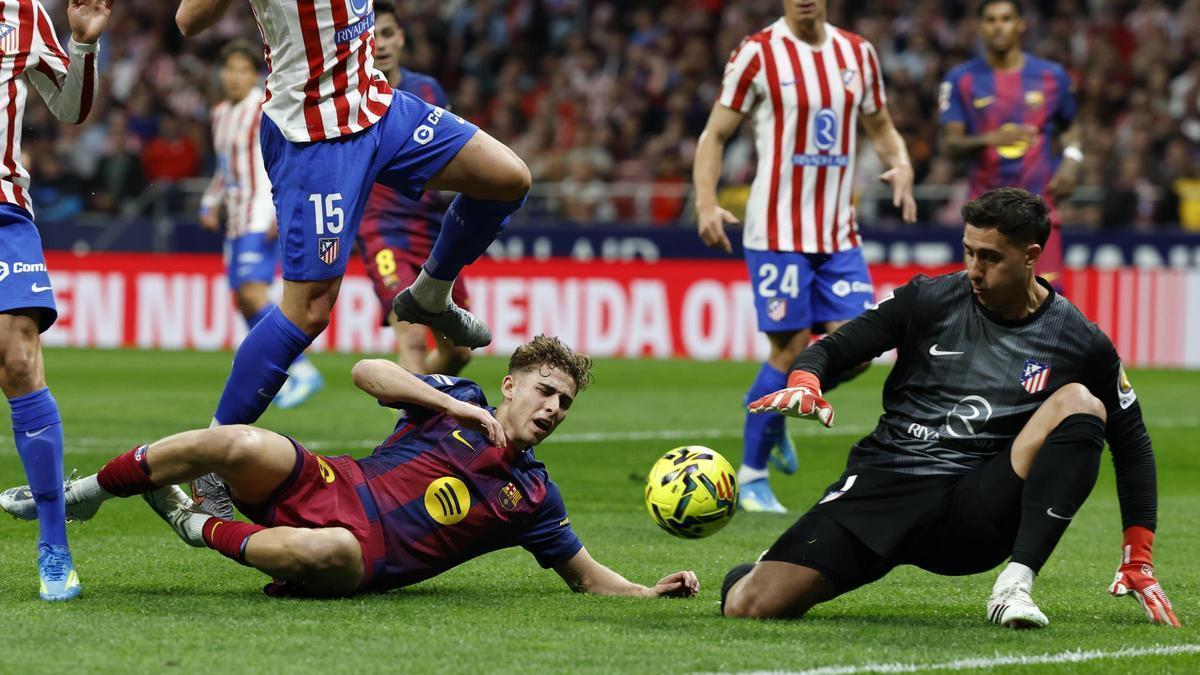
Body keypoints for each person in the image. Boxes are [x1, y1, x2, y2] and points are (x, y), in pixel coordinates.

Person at [721, 188, 1178, 629]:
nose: (974, 270)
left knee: (1079, 402)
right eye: (969, 252)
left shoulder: (1078, 338)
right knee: (749, 604)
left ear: (1031, 255)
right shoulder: (928, 298)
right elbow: (833, 348)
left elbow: (1132, 444)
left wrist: (1138, 557)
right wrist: (805, 382)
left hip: (975, 508)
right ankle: (764, 567)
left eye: (990, 257)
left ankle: (1015, 585)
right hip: (888, 483)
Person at [0, 337, 700, 601]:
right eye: (545, 391)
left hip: (361, 555)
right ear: (511, 384)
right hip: (332, 482)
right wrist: (448, 403)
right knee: (237, 441)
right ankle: (84, 494)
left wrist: (649, 590)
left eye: (565, 403)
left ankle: (193, 523)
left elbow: (587, 577)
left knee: (327, 549)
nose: (553, 409)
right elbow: (367, 371)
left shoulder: (533, 495)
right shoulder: (455, 399)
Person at [175, 0, 531, 518]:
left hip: (376, 105)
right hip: (315, 135)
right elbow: (189, 21)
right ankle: (211, 460)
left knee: (507, 178)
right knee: (307, 311)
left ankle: (431, 292)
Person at [692, 0, 916, 513]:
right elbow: (715, 134)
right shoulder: (757, 52)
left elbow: (882, 126)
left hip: (838, 232)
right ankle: (753, 477)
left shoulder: (857, 53)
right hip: (776, 230)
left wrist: (901, 164)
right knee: (791, 347)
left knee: (860, 348)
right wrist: (705, 203)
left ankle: (781, 402)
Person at [0, 0, 110, 601]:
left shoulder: (23, 15)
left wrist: (84, 45)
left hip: (3, 210)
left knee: (17, 358)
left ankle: (54, 543)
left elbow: (70, 109)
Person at [198, 39, 323, 411]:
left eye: (243, 70)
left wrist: (278, 212)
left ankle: (302, 369)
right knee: (242, 299)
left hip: (261, 213)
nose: (235, 77)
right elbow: (225, 168)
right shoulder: (220, 113)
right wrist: (210, 201)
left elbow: (288, 158)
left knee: (253, 293)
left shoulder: (265, 108)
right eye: (230, 69)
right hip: (236, 220)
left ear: (256, 74)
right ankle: (276, 373)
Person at [356, 0, 471, 375]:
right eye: (372, 36)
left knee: (459, 352)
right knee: (412, 336)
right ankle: (413, 410)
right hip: (381, 230)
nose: (381, 44)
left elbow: (455, 154)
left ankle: (416, 395)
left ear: (401, 38)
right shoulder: (351, 97)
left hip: (434, 232)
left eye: (388, 33)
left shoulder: (427, 90)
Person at [939, 0, 1080, 288]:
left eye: (1006, 19)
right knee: (985, 299)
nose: (998, 27)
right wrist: (989, 139)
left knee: (1045, 301)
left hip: (1039, 212)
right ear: (980, 27)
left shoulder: (1052, 76)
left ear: (1020, 24)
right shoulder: (961, 80)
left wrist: (1072, 160)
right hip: (984, 215)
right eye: (991, 20)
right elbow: (950, 144)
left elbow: (1071, 127)